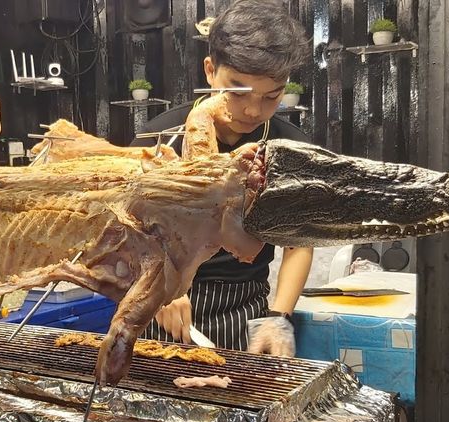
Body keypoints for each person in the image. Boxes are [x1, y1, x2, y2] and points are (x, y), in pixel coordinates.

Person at [129, 0, 313, 356]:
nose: (253, 110)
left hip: (245, 310)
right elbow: (127, 233)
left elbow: (298, 244)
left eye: (271, 96)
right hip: (162, 308)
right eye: (238, 90)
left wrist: (278, 317)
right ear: (210, 70)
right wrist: (153, 287)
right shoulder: (160, 137)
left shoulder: (291, 147)